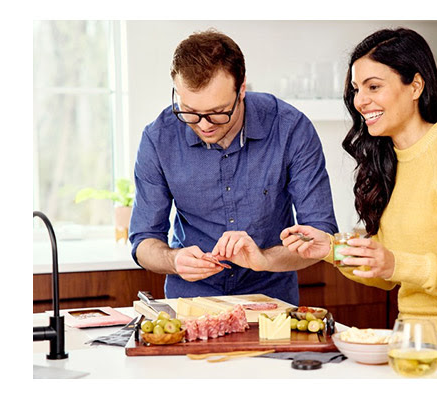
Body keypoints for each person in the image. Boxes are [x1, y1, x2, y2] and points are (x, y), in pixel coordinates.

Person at [277, 28, 437, 378]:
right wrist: (329, 249)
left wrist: (396, 263)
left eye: (373, 86)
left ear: (416, 86)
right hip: (410, 343)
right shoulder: (388, 160)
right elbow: (387, 274)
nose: (360, 100)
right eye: (357, 89)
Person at [129, 29, 338, 306]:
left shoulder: (290, 129)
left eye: (217, 112)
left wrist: (263, 259)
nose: (203, 125)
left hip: (271, 304)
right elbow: (144, 241)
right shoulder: (159, 138)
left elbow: (320, 236)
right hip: (193, 305)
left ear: (241, 91)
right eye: (189, 111)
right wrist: (174, 259)